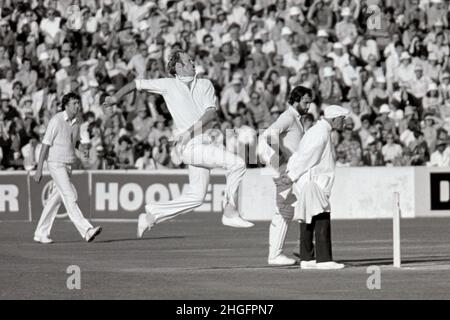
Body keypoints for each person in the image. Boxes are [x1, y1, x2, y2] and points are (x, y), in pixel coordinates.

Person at [103, 50, 254, 238]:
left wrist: (188, 132)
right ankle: (230, 211)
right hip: (189, 147)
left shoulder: (205, 84)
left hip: (203, 143)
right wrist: (115, 98)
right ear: (178, 67)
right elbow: (136, 84)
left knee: (197, 197)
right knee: (238, 163)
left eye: (192, 59)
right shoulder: (167, 84)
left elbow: (210, 114)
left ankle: (151, 216)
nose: (193, 62)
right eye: (188, 60)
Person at [281, 105, 350, 270]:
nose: (344, 122)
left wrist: (292, 174)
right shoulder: (320, 133)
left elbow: (300, 155)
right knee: (322, 215)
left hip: (310, 181)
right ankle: (324, 259)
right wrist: (291, 176)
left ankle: (307, 258)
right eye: (342, 118)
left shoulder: (318, 130)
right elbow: (307, 156)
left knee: (308, 217)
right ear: (334, 119)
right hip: (313, 181)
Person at [33, 92, 102, 244]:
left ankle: (40, 233)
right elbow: (45, 145)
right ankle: (87, 230)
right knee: (70, 195)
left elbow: (74, 141)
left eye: (78, 103)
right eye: (74, 103)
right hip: (56, 163)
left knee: (54, 200)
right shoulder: (56, 120)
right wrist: (39, 169)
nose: (77, 106)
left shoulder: (76, 122)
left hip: (68, 164)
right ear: (66, 105)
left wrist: (82, 148)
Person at [260, 86, 312, 266]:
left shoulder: (296, 119)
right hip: (286, 170)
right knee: (289, 209)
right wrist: (283, 157)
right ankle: (279, 254)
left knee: (292, 208)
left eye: (310, 102)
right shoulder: (288, 117)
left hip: (292, 170)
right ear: (295, 101)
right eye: (305, 102)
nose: (309, 106)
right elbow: (268, 135)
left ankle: (295, 248)